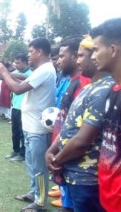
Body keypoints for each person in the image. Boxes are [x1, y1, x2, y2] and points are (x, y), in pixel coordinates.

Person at [45, 35, 110, 212]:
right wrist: (51, 150)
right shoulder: (89, 88)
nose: (78, 60)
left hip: (87, 178)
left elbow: (82, 140)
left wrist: (57, 160)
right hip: (72, 173)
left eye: (82, 55)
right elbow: (69, 126)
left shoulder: (105, 90)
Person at [0, 38, 56, 212]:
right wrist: (6, 74)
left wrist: (5, 72)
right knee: (31, 163)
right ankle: (34, 192)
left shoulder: (45, 70)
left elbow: (18, 88)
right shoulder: (40, 70)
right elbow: (22, 77)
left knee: (39, 166)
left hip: (38, 128)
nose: (28, 55)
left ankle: (40, 201)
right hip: (30, 126)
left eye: (30, 51)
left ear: (39, 52)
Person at [48, 37, 91, 209]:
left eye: (61, 56)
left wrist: (60, 157)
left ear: (74, 56)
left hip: (74, 162)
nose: (58, 61)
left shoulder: (83, 83)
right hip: (62, 152)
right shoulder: (72, 81)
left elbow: (81, 130)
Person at [90, 18, 121, 212]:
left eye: (96, 50)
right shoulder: (113, 90)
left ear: (113, 50)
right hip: (107, 197)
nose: (93, 56)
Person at [6, 54, 32, 163]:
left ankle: (23, 154)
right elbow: (4, 77)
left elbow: (24, 78)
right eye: (15, 63)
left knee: (22, 132)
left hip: (24, 108)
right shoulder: (16, 73)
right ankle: (15, 150)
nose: (16, 65)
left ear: (26, 62)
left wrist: (7, 73)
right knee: (15, 131)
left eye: (18, 63)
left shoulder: (30, 73)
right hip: (15, 107)